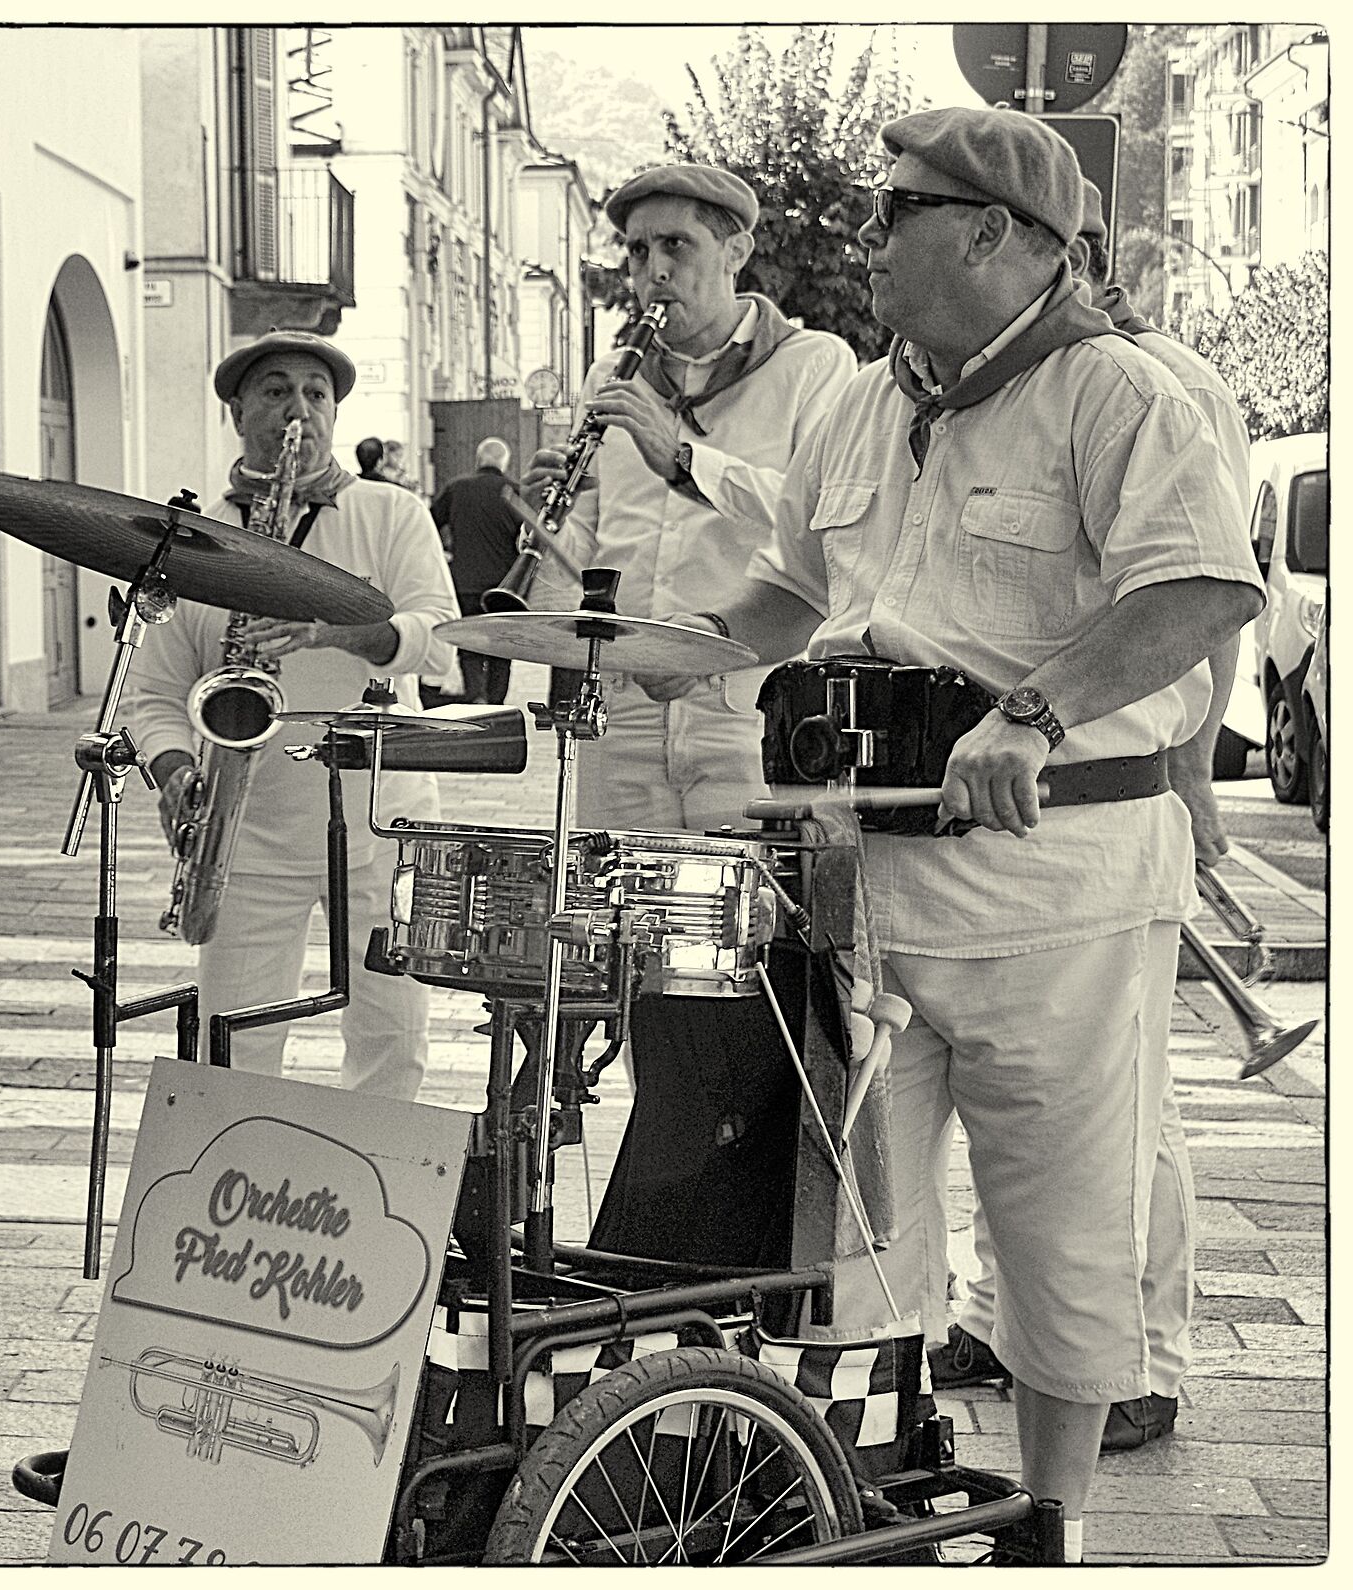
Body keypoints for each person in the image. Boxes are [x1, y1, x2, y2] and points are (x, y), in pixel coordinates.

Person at [637, 110, 1260, 1554]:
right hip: (864, 879)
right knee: (853, 1222)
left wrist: (1031, 713)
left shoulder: (1117, 391)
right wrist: (657, 653)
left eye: (893, 213)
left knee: (1062, 1223)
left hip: (1059, 885)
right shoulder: (864, 402)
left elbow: (1200, 590)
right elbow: (798, 589)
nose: (866, 241)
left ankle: (1053, 1524)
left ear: (994, 233)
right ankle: (863, 1492)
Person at [934, 180, 1256, 1455]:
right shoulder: (989, 392)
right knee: (1030, 1132)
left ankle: (1144, 1360)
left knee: (1124, 1126)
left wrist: (1192, 767)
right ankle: (995, 1315)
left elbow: (1202, 594)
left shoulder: (1155, 382)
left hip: (1109, 794)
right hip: (993, 832)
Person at [124, 331, 458, 1101]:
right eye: (276, 391)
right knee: (231, 1043)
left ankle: (370, 1176)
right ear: (237, 413)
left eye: (316, 393)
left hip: (381, 820)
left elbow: (439, 641)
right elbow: (156, 692)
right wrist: (173, 773)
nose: (297, 410)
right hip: (246, 829)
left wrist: (332, 628)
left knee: (392, 1035)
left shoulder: (391, 512)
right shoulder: (195, 540)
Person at [520, 163, 856, 830]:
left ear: (736, 252)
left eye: (676, 245)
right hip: (622, 704)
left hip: (748, 701)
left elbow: (816, 520)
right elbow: (591, 545)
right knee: (610, 893)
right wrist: (550, 526)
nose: (655, 271)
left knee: (757, 893)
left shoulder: (813, 364)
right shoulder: (609, 375)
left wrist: (682, 460)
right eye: (638, 251)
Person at [430, 437, 545, 704]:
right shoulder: (514, 493)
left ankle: (475, 698)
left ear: (477, 459)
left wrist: (442, 554)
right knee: (501, 650)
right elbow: (530, 538)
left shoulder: (456, 488)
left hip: (465, 582)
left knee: (469, 647)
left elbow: (429, 523)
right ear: (505, 464)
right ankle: (495, 705)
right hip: (503, 588)